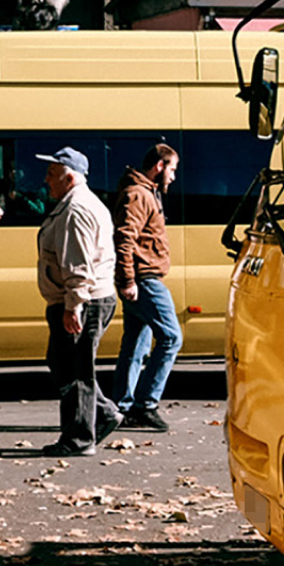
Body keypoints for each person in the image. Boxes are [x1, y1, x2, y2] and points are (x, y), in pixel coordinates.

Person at [34, 147, 121, 457]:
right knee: (62, 364)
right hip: (81, 297)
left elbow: (78, 263)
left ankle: (79, 438)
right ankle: (103, 415)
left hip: (83, 300)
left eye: (52, 174)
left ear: (69, 177)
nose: (46, 181)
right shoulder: (75, 204)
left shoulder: (75, 210)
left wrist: (74, 305)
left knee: (75, 370)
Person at [111, 144, 181, 433]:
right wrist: (127, 280)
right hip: (144, 279)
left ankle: (121, 408)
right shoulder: (138, 194)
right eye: (173, 169)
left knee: (136, 344)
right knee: (171, 338)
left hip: (141, 278)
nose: (174, 177)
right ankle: (146, 405)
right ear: (160, 166)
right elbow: (124, 239)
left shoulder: (144, 191)